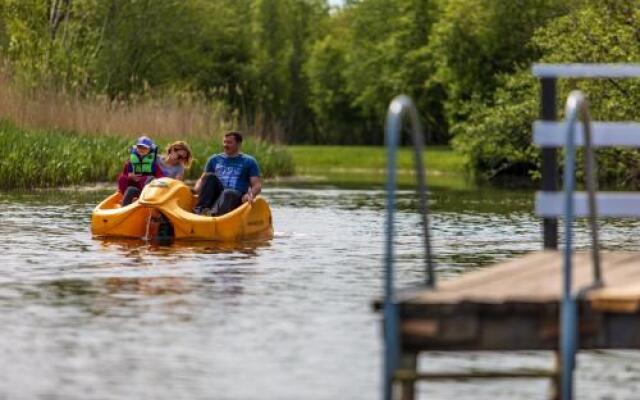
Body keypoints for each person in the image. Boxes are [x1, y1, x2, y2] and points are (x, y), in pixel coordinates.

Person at [193, 131, 262, 216]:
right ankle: (200, 211)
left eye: (229, 142)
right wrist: (194, 190)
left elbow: (257, 185)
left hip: (236, 196)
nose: (225, 145)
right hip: (218, 194)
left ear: (238, 144)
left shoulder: (249, 161)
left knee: (228, 193)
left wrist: (249, 195)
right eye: (224, 142)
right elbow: (202, 179)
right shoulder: (214, 159)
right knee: (209, 176)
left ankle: (213, 215)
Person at [117, 135, 164, 206]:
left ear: (149, 150)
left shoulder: (153, 165)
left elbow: (162, 177)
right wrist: (130, 177)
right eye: (139, 147)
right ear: (136, 148)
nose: (142, 149)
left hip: (147, 192)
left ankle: (140, 200)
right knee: (123, 180)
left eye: (145, 148)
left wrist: (154, 179)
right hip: (134, 190)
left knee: (146, 179)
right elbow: (123, 176)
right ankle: (125, 201)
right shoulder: (130, 163)